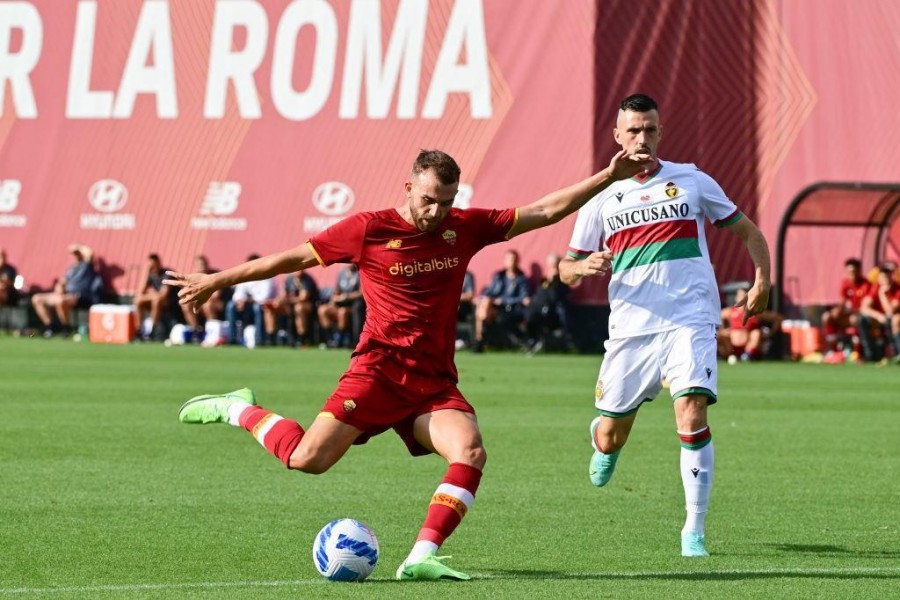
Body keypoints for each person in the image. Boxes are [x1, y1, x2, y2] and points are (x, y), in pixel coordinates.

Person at [164, 148, 653, 581]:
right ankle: (236, 409)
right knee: (307, 460)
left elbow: (545, 210)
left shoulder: (465, 226)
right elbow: (291, 260)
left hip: (432, 384)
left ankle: (422, 556)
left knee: (471, 452)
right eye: (427, 199)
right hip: (376, 373)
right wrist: (218, 280)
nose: (436, 211)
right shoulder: (369, 229)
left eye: (446, 200)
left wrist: (607, 176)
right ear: (408, 187)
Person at [559, 94, 772, 558]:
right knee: (614, 431)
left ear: (660, 132)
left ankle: (693, 530)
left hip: (689, 318)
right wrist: (583, 266)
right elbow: (565, 268)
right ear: (617, 136)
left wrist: (762, 281)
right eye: (633, 130)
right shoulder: (600, 196)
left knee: (692, 412)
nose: (642, 138)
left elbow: (748, 232)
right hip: (632, 329)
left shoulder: (691, 180)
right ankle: (603, 439)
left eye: (650, 129)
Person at [31, 244, 98, 337]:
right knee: (37, 298)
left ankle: (66, 328)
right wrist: (59, 286)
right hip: (65, 294)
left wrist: (78, 247)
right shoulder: (70, 269)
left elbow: (90, 253)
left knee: (60, 301)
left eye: (77, 253)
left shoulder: (86, 266)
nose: (75, 255)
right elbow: (63, 281)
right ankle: (49, 327)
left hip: (79, 296)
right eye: (74, 254)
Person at [472, 249, 532, 352]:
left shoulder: (521, 279)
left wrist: (503, 300)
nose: (511, 262)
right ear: (505, 261)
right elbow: (489, 291)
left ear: (518, 261)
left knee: (483, 311)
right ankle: (480, 336)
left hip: (509, 309)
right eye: (509, 259)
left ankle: (479, 340)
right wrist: (481, 298)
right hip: (494, 307)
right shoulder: (499, 276)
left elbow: (524, 298)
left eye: (513, 259)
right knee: (484, 302)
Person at [225, 254, 279, 347]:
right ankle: (232, 338)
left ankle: (259, 339)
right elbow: (238, 293)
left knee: (257, 307)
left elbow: (264, 297)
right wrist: (240, 300)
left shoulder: (268, 276)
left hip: (265, 306)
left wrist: (248, 300)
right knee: (231, 305)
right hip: (247, 306)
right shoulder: (245, 277)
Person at [718, 285, 783, 362]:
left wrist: (770, 333)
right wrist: (722, 329)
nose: (741, 298)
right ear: (736, 297)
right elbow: (718, 316)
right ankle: (727, 355)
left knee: (756, 333)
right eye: (739, 295)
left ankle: (747, 355)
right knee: (720, 334)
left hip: (748, 344)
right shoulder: (730, 311)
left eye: (743, 296)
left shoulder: (755, 312)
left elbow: (778, 318)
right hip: (732, 346)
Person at [821, 258, 871, 354]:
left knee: (854, 319)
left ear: (859, 270)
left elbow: (866, 307)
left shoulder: (866, 284)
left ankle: (857, 351)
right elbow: (843, 301)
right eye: (849, 272)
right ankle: (832, 350)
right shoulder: (845, 283)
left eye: (854, 271)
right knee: (827, 317)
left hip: (859, 315)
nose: (851, 274)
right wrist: (837, 310)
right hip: (847, 314)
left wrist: (852, 311)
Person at [524, 253, 571, 353]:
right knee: (529, 316)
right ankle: (532, 342)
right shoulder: (542, 281)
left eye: (554, 266)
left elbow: (555, 298)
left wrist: (554, 281)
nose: (552, 268)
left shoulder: (563, 282)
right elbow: (538, 297)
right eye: (550, 266)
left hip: (553, 314)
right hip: (537, 310)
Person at [857, 265, 900, 362]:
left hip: (893, 320)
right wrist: (878, 315)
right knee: (862, 320)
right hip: (881, 319)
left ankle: (897, 352)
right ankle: (870, 354)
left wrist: (882, 294)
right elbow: (864, 307)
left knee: (895, 320)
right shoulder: (875, 287)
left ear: (891, 277)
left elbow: (890, 311)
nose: (884, 280)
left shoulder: (897, 289)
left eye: (887, 277)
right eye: (882, 277)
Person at [317, 263, 364, 348]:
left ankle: (339, 339)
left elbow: (361, 293)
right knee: (322, 310)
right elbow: (337, 290)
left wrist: (346, 297)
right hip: (340, 303)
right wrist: (334, 298)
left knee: (343, 312)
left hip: (352, 305)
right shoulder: (342, 273)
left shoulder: (359, 273)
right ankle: (329, 339)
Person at [179, 255, 225, 341]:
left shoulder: (214, 275)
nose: (202, 267)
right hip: (201, 301)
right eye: (199, 265)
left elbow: (216, 295)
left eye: (203, 264)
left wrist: (201, 299)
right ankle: (196, 331)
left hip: (217, 303)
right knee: (185, 305)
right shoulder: (193, 278)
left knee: (207, 305)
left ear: (207, 264)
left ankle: (212, 332)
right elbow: (187, 293)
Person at [133, 253, 177, 341]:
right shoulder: (151, 275)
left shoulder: (167, 273)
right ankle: (139, 330)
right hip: (157, 300)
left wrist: (152, 296)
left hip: (171, 302)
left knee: (156, 300)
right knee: (138, 301)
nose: (152, 266)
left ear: (158, 263)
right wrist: (146, 273)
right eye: (150, 265)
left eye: (153, 264)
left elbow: (164, 294)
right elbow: (140, 292)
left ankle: (152, 330)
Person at [274, 269, 320, 346]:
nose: (299, 271)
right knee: (274, 306)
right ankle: (273, 336)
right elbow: (285, 294)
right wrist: (279, 300)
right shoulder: (289, 279)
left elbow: (304, 298)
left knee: (299, 308)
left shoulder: (307, 279)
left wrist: (287, 301)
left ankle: (302, 338)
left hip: (310, 305)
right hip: (292, 304)